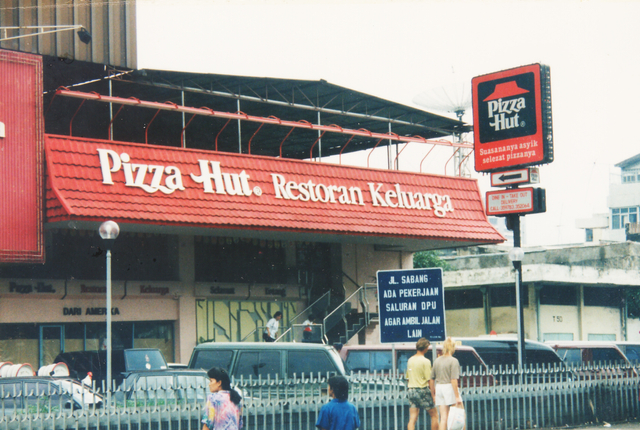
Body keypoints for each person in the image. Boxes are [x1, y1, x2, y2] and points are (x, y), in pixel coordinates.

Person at [406, 337, 438, 430]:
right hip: (422, 390)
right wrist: (433, 395)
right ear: (425, 348)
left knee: (413, 418)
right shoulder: (426, 361)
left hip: (411, 390)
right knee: (434, 415)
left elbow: (408, 377)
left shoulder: (410, 360)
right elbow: (430, 379)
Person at [431, 337, 463, 430]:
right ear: (452, 347)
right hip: (449, 388)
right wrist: (457, 396)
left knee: (443, 417)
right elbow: (453, 379)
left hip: (439, 388)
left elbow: (432, 379)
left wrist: (433, 394)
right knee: (459, 414)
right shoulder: (453, 361)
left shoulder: (437, 360)